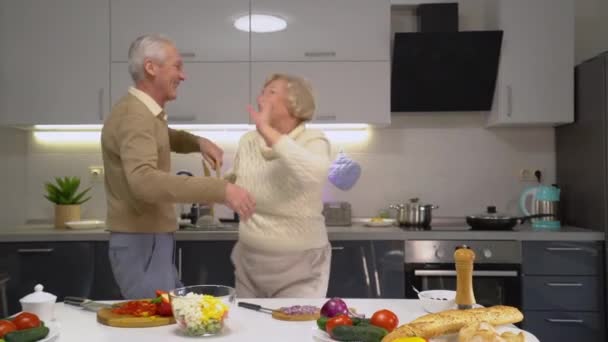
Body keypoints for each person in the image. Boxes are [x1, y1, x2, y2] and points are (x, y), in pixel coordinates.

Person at [101, 34, 255, 299]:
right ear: (151, 68)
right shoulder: (135, 116)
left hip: (148, 238)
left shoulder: (144, 113)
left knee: (168, 319)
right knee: (155, 327)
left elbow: (162, 136)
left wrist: (196, 142)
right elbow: (145, 181)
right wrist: (221, 189)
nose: (183, 76)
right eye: (177, 66)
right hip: (142, 241)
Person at [227, 73, 332, 298]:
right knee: (250, 330)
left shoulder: (313, 140)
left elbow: (315, 174)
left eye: (271, 92)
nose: (261, 98)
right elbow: (236, 181)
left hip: (301, 265)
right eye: (262, 92)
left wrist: (267, 130)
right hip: (249, 261)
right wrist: (216, 189)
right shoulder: (247, 141)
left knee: (293, 330)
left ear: (295, 103)